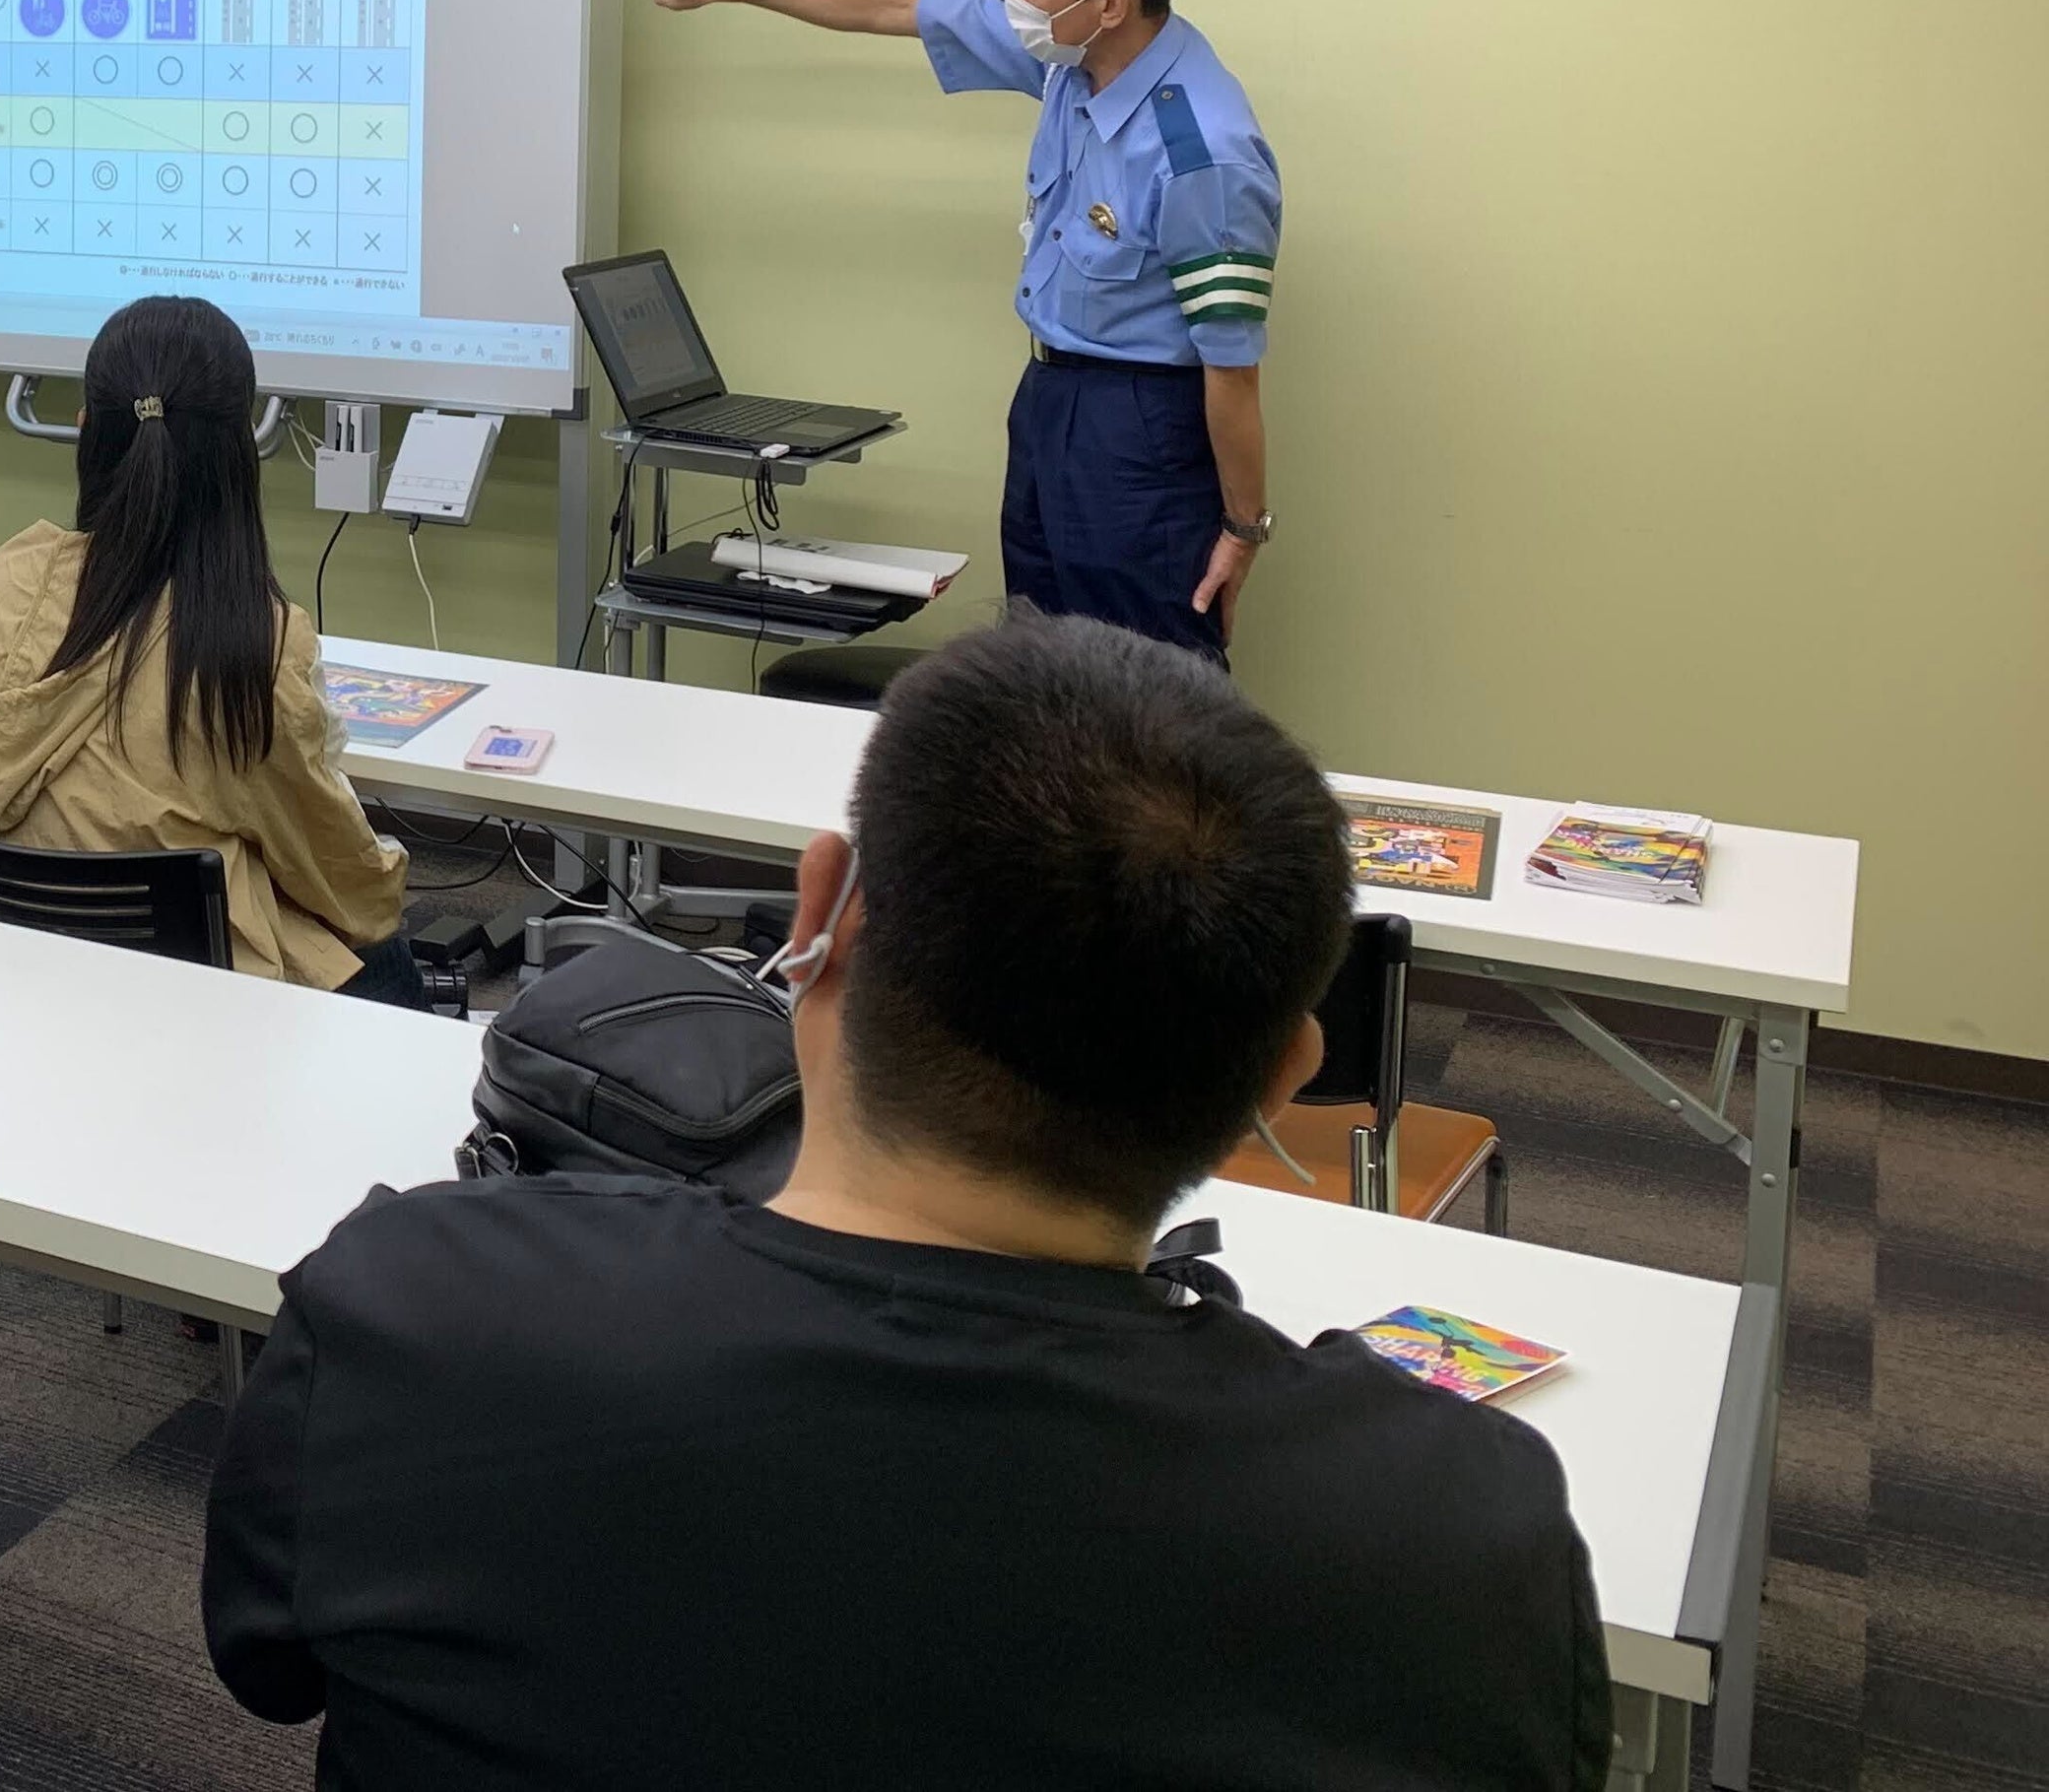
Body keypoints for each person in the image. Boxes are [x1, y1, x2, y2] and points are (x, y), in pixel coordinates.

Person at [203, 610, 1609, 1790]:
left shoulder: (410, 1307)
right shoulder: (1462, 1543)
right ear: (1289, 1075)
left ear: (821, 915)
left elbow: (265, 1668)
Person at [619, 0, 1279, 656]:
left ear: (1108, 2)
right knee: (1036, 672)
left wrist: (1243, 527)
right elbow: (900, 4)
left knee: (1145, 691)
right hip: (1049, 400)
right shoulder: (1074, 55)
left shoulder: (1201, 151)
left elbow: (1232, 369)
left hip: (1139, 431)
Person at [0, 296, 414, 1000]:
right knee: (387, 956)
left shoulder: (7, 580)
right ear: (240, 451)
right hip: (198, 1015)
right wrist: (384, 886)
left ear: (85, 430)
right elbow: (340, 881)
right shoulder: (247, 648)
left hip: (14, 989)